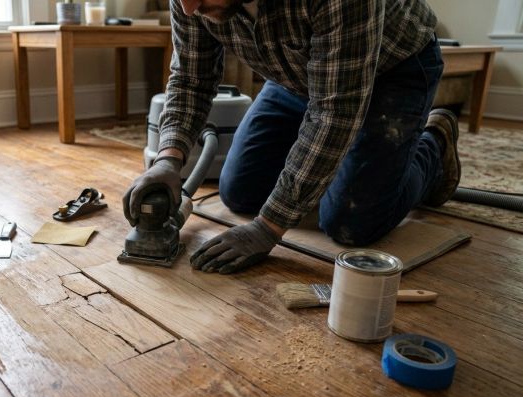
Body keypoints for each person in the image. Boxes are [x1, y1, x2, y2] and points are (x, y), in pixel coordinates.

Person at [122, 0, 461, 274]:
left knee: (349, 223)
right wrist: (168, 158)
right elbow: (191, 78)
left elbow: (334, 112)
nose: (188, 9)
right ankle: (341, 169)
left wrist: (268, 228)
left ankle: (434, 142)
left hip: (391, 71)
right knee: (240, 192)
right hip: (296, 76)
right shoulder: (190, 2)